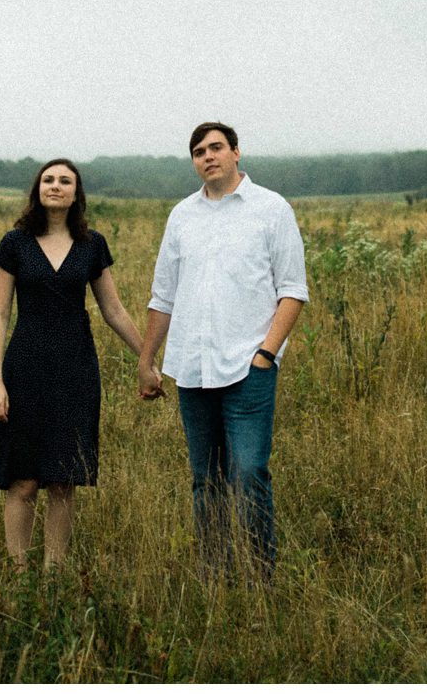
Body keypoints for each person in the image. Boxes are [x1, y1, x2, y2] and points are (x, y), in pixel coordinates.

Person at [138, 122, 309, 582]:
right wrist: (146, 360)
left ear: (236, 152)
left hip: (247, 367)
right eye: (198, 151)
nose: (207, 156)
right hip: (191, 370)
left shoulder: (271, 210)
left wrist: (265, 355)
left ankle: (260, 575)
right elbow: (163, 297)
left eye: (216, 148)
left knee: (249, 472)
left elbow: (292, 291)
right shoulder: (182, 216)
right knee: (204, 479)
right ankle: (214, 573)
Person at [0, 157, 158, 568]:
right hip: (23, 369)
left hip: (76, 370)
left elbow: (113, 310)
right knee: (23, 480)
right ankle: (19, 574)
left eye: (65, 181)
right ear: (37, 189)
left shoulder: (92, 245)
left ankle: (55, 574)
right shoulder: (14, 243)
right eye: (48, 180)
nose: (55, 186)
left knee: (63, 478)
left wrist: (147, 358)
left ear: (77, 193)